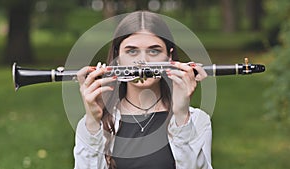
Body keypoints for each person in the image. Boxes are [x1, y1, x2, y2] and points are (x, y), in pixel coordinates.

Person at [74, 11, 212, 169]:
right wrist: (93, 121)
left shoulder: (197, 120)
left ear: (169, 57)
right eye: (132, 51)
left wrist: (182, 115)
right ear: (117, 58)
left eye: (154, 51)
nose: (142, 61)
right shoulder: (95, 124)